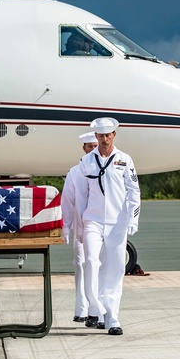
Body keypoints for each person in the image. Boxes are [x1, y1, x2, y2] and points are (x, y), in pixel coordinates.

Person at [70, 117, 140, 336]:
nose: (104, 139)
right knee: (91, 261)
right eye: (100, 136)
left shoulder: (125, 159)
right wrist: (80, 225)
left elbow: (134, 191)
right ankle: (95, 306)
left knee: (116, 269)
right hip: (93, 220)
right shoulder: (86, 162)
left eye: (107, 135)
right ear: (96, 137)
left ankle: (112, 318)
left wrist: (133, 219)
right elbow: (81, 196)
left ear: (113, 135)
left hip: (117, 223)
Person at [61, 131, 99, 322]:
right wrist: (66, 227)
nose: (93, 149)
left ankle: (97, 310)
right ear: (84, 148)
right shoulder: (74, 173)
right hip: (79, 229)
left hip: (99, 228)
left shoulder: (104, 169)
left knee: (97, 267)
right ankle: (81, 309)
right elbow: (67, 201)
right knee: (80, 267)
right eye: (90, 146)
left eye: (95, 146)